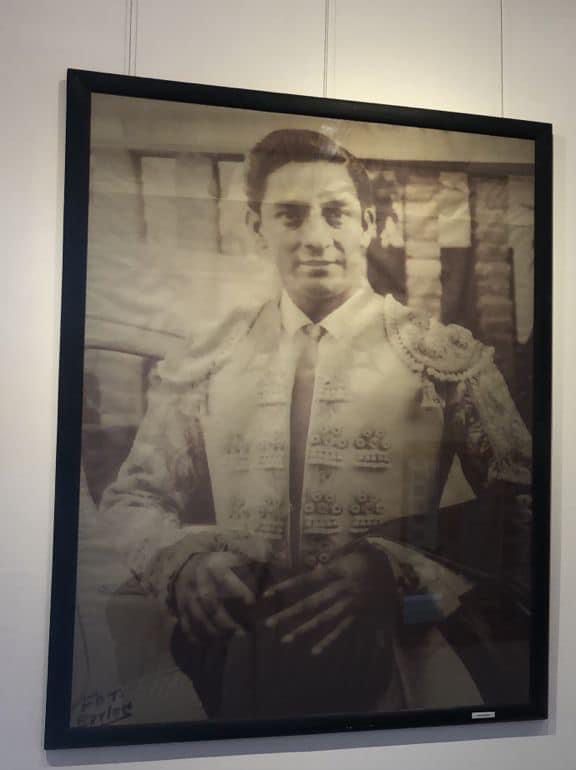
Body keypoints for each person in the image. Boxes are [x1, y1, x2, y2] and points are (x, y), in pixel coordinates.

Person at [98, 129, 534, 719]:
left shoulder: (438, 354)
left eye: (335, 213)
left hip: (403, 661)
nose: (315, 238)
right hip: (244, 658)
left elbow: (526, 508)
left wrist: (395, 567)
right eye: (290, 215)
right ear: (257, 227)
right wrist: (182, 563)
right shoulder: (209, 356)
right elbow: (133, 499)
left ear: (369, 224)